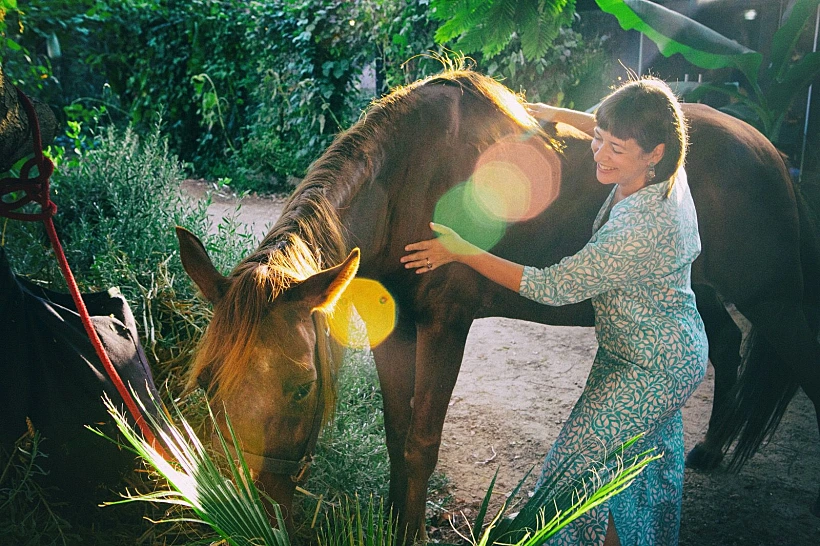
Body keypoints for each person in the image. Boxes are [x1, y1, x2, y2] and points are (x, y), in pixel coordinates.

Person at [401, 77, 708, 546]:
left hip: (653, 368)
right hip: (649, 348)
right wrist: (559, 113)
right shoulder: (668, 171)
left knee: (572, 474)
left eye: (615, 149)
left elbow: (553, 285)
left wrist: (462, 251)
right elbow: (606, 132)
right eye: (600, 140)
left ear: (654, 153)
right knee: (633, 479)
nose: (600, 154)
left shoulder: (642, 226)